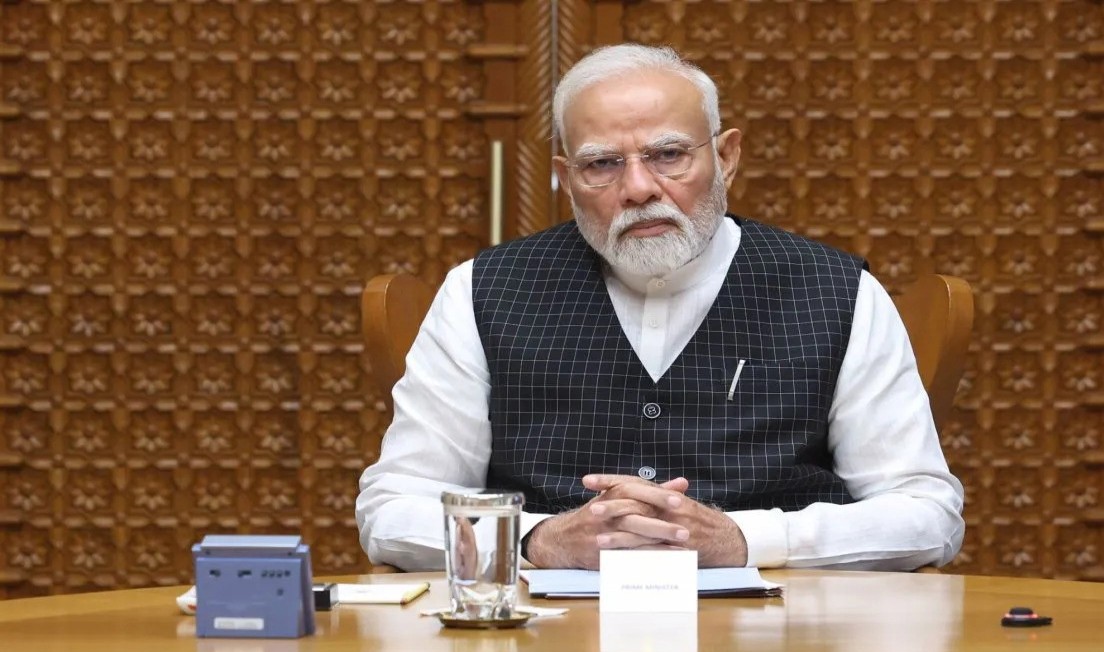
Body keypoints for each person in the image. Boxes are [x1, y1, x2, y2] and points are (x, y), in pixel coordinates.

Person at [356, 44, 964, 572]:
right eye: (603, 163)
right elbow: (393, 508)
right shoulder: (481, 290)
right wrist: (537, 539)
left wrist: (743, 538)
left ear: (725, 157)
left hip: (777, 632)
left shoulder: (835, 290)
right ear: (566, 178)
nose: (640, 188)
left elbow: (925, 514)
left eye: (668, 155)